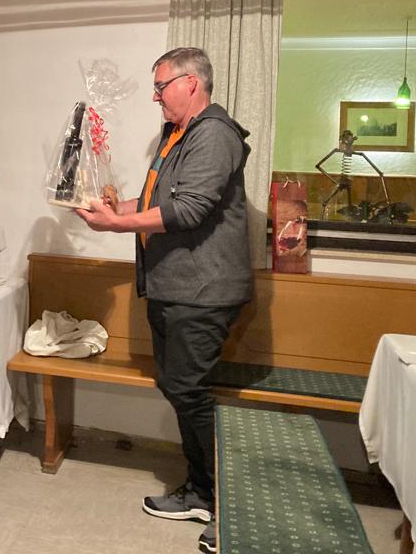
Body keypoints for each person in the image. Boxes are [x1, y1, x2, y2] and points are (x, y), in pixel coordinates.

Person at [75, 47, 252, 554]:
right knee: (179, 387)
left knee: (189, 390)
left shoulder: (214, 134)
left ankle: (225, 504)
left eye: (161, 87)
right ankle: (201, 490)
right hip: (175, 287)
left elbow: (189, 210)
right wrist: (110, 210)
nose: (156, 97)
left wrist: (117, 225)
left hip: (202, 291)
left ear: (191, 83)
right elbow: (157, 204)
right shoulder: (178, 135)